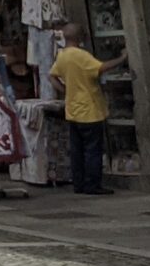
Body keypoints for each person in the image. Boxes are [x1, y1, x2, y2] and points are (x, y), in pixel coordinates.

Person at [48, 21, 127, 195]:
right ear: (81, 37)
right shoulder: (81, 56)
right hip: (89, 109)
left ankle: (79, 183)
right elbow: (101, 68)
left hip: (73, 109)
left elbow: (52, 76)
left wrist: (65, 90)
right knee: (92, 149)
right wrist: (121, 59)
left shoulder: (62, 56)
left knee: (77, 150)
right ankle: (92, 184)